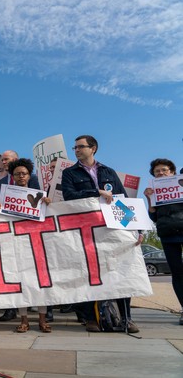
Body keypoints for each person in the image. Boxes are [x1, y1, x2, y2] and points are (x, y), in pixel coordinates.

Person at [62, 135, 142, 333]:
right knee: (89, 272)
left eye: (81, 147)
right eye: (75, 148)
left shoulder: (108, 171)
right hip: (86, 230)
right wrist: (96, 192)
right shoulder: (69, 173)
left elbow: (123, 199)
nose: (77, 150)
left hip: (112, 229)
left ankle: (126, 318)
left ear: (93, 148)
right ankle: (91, 318)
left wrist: (136, 229)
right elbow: (69, 196)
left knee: (120, 272)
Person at [0, 158, 52, 333]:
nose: (21, 176)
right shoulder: (6, 196)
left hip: (36, 243)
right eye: (18, 174)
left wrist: (49, 204)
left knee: (40, 282)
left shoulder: (40, 195)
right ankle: (24, 320)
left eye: (24, 174)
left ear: (29, 176)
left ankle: (42, 319)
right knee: (21, 281)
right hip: (16, 242)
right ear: (13, 176)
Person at [144, 158, 183, 325]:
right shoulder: (154, 191)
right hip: (167, 235)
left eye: (164, 170)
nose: (160, 173)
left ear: (172, 172)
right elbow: (153, 216)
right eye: (157, 171)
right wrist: (149, 199)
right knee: (177, 273)